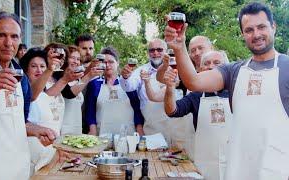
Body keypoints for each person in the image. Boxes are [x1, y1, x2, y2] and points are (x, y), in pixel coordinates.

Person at [164, 2, 289, 179]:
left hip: (277, 171)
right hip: (239, 169)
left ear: (273, 27)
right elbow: (193, 81)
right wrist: (178, 47)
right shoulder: (234, 71)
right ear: (243, 34)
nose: (256, 34)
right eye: (249, 30)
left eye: (261, 27)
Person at [0, 12, 55, 180]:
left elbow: (18, 121)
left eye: (14, 37)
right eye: (2, 35)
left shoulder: (21, 77)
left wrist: (37, 130)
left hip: (17, 168)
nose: (8, 43)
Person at [163, 50, 231, 180]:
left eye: (217, 63)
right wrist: (170, 88)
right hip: (205, 164)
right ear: (199, 69)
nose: (211, 66)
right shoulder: (196, 95)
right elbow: (171, 111)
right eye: (206, 63)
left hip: (233, 163)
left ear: (227, 68)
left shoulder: (236, 93)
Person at [85, 46, 143, 136]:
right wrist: (93, 131)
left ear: (118, 63)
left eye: (111, 62)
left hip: (128, 135)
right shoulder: (94, 84)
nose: (107, 65)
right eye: (104, 62)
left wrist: (139, 130)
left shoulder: (128, 83)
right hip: (102, 134)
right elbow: (90, 112)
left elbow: (137, 109)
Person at [120, 38, 167, 136]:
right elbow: (129, 86)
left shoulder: (173, 69)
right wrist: (125, 77)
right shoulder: (141, 70)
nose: (155, 53)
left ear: (166, 52)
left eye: (159, 50)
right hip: (151, 128)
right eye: (152, 50)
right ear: (148, 53)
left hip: (173, 126)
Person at [61, 45, 102, 135]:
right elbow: (70, 93)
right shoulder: (60, 78)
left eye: (78, 59)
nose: (76, 61)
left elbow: (81, 78)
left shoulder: (76, 80)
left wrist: (91, 66)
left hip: (77, 130)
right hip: (62, 130)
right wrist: (89, 75)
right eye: (72, 58)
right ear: (65, 59)